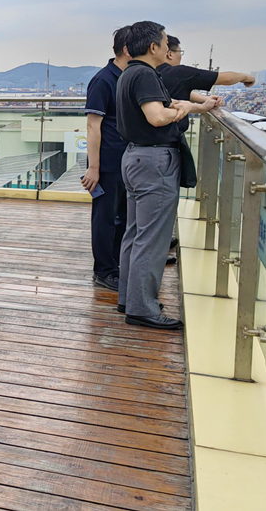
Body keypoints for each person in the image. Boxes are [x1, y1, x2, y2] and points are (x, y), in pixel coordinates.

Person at [115, 21, 215, 329]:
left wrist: (190, 106)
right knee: (152, 238)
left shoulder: (129, 73)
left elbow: (158, 109)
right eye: (165, 43)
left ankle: (129, 299)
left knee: (135, 233)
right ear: (154, 47)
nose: (169, 49)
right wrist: (186, 111)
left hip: (135, 157)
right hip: (154, 161)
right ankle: (142, 308)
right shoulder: (146, 74)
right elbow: (157, 117)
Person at [155, 35, 256, 264]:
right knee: (161, 202)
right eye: (179, 52)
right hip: (164, 147)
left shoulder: (151, 74)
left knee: (155, 205)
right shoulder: (177, 72)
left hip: (148, 148)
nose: (181, 57)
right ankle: (153, 256)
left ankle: (157, 247)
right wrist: (247, 77)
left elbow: (179, 92)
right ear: (169, 52)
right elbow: (224, 77)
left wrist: (203, 101)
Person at [81, 26, 132, 291]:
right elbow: (93, 125)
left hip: (126, 161)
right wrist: (94, 168)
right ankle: (104, 270)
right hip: (108, 162)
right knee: (105, 218)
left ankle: (117, 263)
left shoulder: (128, 77)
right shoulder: (103, 80)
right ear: (127, 50)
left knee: (122, 217)